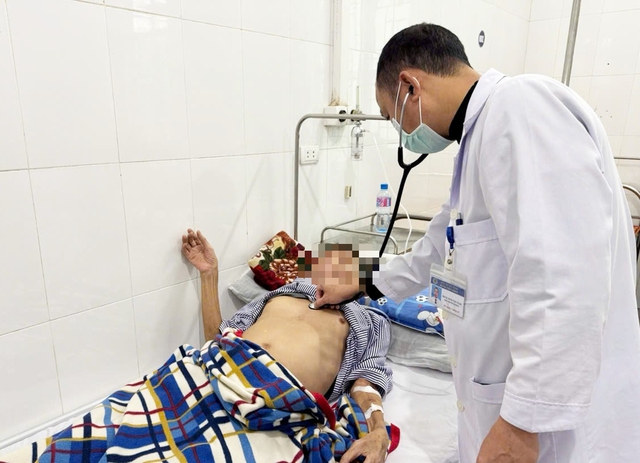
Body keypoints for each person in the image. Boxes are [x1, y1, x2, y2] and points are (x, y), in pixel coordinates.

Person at [313, 23, 640, 463]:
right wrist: (361, 279)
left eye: (391, 115)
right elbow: (435, 249)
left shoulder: (521, 107)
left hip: (549, 429)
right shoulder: (478, 140)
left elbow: (563, 278)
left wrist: (522, 425)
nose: (401, 131)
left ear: (410, 87)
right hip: (496, 408)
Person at [181, 229, 394, 463]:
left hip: (276, 406)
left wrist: (378, 431)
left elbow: (366, 383)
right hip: (219, 378)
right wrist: (209, 274)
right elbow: (218, 340)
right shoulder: (279, 294)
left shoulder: (370, 320)